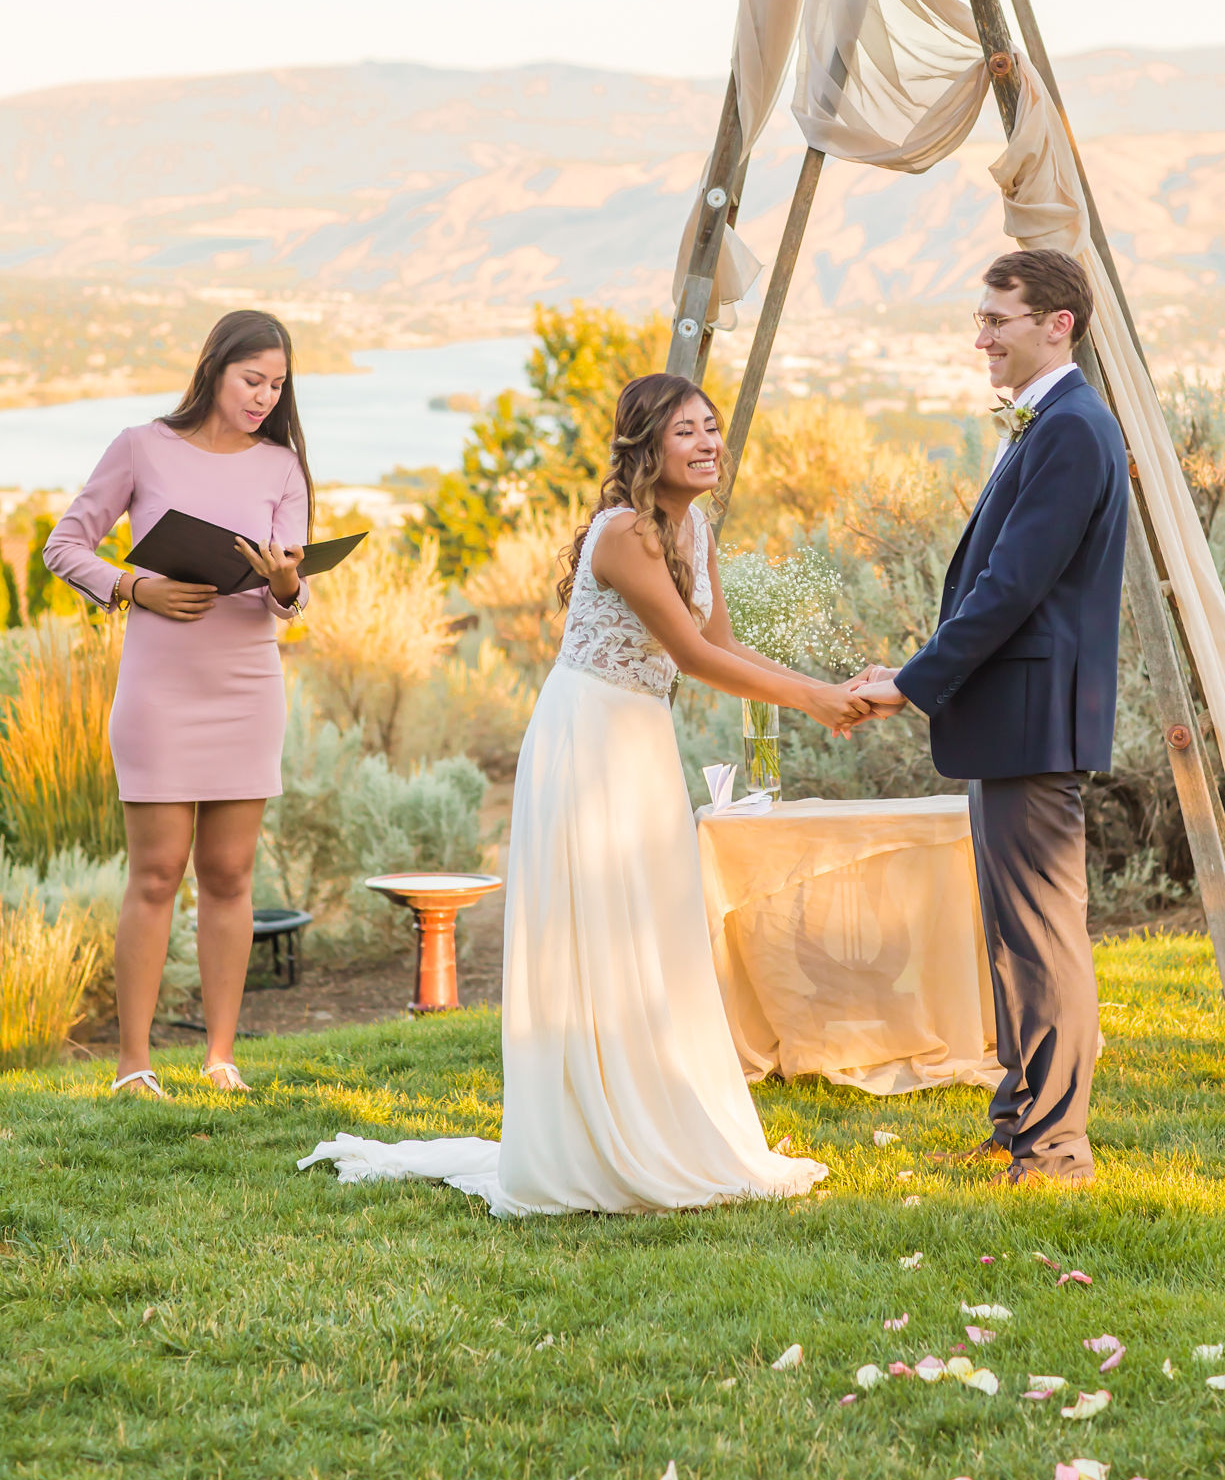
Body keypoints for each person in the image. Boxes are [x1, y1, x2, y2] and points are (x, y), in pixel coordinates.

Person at [301, 372, 868, 1214]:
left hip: (642, 738)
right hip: (588, 739)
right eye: (687, 432)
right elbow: (694, 657)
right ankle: (595, 1138)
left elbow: (728, 646)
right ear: (646, 445)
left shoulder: (695, 526)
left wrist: (824, 688)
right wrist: (819, 701)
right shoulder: (624, 535)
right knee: (601, 924)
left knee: (652, 926)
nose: (709, 443)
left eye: (712, 428)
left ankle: (659, 1116)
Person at [854, 251, 1128, 1186]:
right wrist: (920, 670)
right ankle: (1019, 1121)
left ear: (1057, 323)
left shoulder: (1072, 430)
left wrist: (915, 680)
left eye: (996, 320)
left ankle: (1053, 1151)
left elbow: (1013, 585)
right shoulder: (1050, 423)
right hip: (1012, 714)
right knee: (1014, 938)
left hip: (1033, 717)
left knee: (1043, 941)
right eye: (979, 319)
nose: (980, 337)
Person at [43, 309, 314, 1100]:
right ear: (214, 369)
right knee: (156, 874)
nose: (265, 396)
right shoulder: (141, 445)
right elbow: (65, 544)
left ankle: (221, 1057)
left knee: (229, 875)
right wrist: (136, 586)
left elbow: (289, 594)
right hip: (160, 690)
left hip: (246, 683)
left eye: (278, 385)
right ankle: (134, 1064)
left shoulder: (282, 467)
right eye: (251, 380)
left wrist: (288, 584)